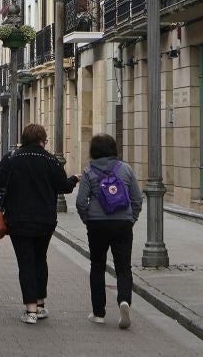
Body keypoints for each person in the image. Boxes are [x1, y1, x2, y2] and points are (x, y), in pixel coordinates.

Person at [0, 123, 78, 325]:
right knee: (40, 259)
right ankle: (41, 304)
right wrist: (75, 179)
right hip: (45, 220)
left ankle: (30, 310)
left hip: (18, 220)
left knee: (25, 262)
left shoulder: (12, 159)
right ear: (42, 140)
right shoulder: (51, 160)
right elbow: (64, 187)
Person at [75, 132, 143, 329]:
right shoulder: (126, 170)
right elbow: (137, 199)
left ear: (93, 151)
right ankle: (124, 301)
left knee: (97, 266)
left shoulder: (88, 172)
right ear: (114, 149)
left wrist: (88, 219)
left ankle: (98, 313)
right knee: (123, 267)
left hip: (97, 224)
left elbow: (81, 202)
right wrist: (131, 219)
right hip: (122, 224)